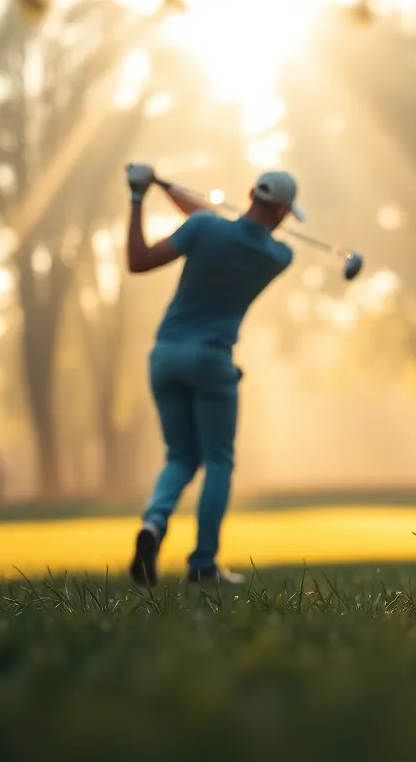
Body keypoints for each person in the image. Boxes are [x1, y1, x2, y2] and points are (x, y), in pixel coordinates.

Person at [122, 163, 301, 585]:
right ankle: (203, 564)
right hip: (212, 360)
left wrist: (140, 194)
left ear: (251, 195)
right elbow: (212, 219)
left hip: (165, 355)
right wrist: (166, 188)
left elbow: (138, 261)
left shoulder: (204, 228)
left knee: (180, 456)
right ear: (282, 212)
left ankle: (153, 524)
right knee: (218, 460)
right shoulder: (279, 256)